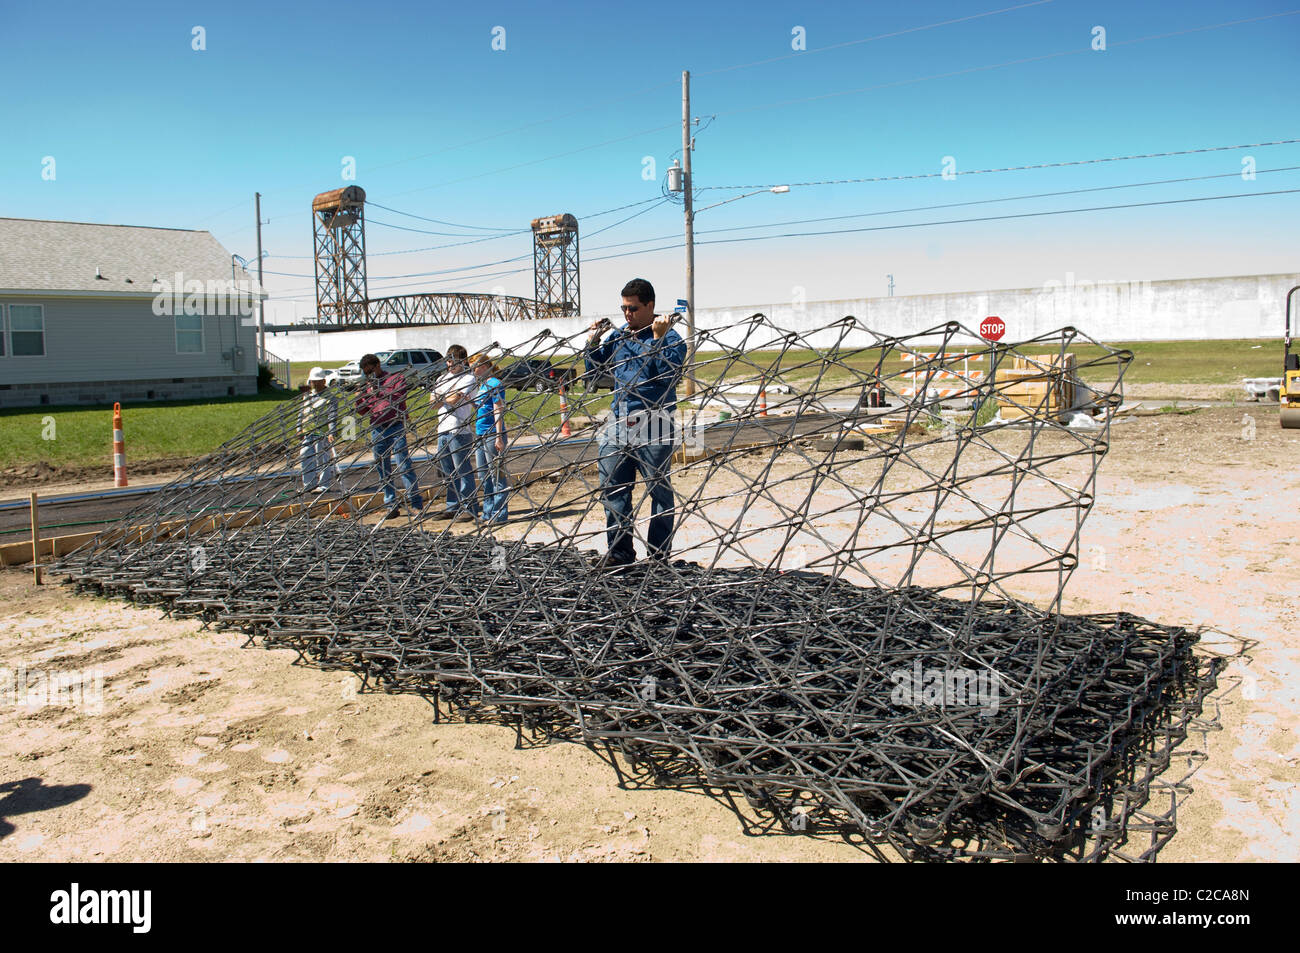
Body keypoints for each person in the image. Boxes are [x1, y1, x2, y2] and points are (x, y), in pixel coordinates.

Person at [583, 278, 687, 569]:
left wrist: (656, 340)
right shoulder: (618, 337)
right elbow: (594, 370)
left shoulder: (672, 339)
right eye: (623, 308)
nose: (627, 314)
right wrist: (592, 340)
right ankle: (619, 552)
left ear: (650, 306)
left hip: (655, 422)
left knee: (658, 490)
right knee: (613, 488)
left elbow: (666, 376)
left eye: (633, 308)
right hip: (618, 422)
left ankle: (658, 555)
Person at [355, 352, 425, 519]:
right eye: (366, 373)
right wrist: (360, 397)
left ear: (378, 366)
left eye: (370, 371)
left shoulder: (395, 379)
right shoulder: (368, 387)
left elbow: (397, 397)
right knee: (382, 468)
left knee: (404, 465)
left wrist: (377, 390)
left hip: (395, 426)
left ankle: (415, 504)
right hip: (377, 429)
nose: (369, 375)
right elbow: (362, 411)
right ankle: (391, 504)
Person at [430, 345, 478, 519]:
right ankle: (453, 506)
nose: (450, 364)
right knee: (448, 472)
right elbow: (432, 403)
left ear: (463, 361)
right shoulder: (441, 378)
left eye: (454, 361)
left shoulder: (468, 378)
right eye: (448, 360)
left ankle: (469, 506)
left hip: (460, 430)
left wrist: (443, 396)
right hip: (442, 429)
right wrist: (445, 397)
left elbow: (454, 400)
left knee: (462, 469)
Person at [470, 353, 509, 524]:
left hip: (492, 434)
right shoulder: (483, 385)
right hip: (481, 433)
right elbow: (482, 407)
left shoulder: (495, 384)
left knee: (496, 475)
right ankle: (487, 512)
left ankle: (499, 514)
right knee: (484, 474)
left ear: (484, 366)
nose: (472, 370)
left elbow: (498, 410)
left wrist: (499, 437)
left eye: (475, 367)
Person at [298, 366, 338, 493]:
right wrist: (299, 428)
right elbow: (302, 413)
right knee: (305, 456)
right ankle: (309, 485)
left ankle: (323, 485)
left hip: (322, 434)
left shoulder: (330, 398)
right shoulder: (307, 396)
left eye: (316, 381)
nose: (314, 384)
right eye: (312, 381)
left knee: (323, 459)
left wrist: (331, 432)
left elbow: (332, 416)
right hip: (308, 433)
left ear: (323, 381)